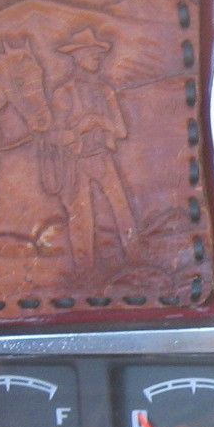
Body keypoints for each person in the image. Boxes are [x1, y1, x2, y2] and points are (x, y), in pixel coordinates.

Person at [48, 27, 136, 272]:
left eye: (99, 53)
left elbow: (121, 131)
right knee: (81, 221)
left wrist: (99, 122)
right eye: (92, 53)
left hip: (103, 158)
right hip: (76, 165)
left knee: (123, 213)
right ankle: (84, 274)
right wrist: (78, 129)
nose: (98, 57)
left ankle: (137, 263)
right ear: (77, 56)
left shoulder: (105, 91)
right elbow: (55, 136)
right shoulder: (63, 93)